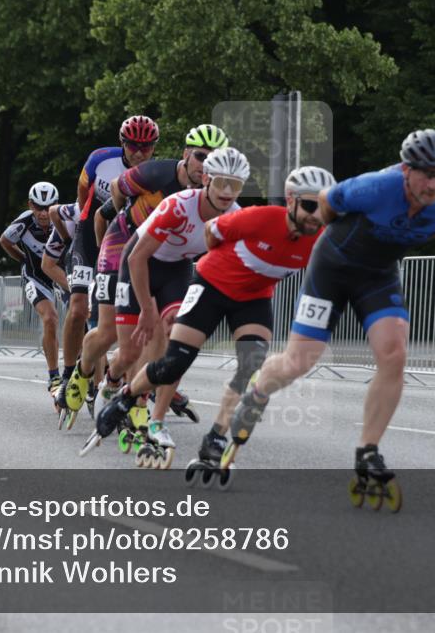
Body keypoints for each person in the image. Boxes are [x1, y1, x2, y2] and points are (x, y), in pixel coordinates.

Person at [226, 129, 435, 512]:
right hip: (332, 267)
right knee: (299, 361)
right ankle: (257, 393)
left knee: (394, 354)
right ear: (406, 169)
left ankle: (368, 451)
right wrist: (340, 234)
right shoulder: (374, 188)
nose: (433, 183)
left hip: (377, 276)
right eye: (425, 173)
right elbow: (326, 202)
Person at [99, 166, 334, 477]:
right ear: (290, 201)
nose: (315, 215)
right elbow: (212, 233)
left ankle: (216, 437)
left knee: (250, 363)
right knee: (174, 363)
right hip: (212, 285)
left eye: (324, 207)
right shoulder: (258, 217)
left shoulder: (322, 241)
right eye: (308, 206)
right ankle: (127, 396)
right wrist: (225, 263)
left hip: (254, 297)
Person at [80, 146, 249, 464]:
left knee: (174, 336)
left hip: (177, 269)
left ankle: (148, 412)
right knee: (129, 350)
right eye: (221, 182)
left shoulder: (234, 217)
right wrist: (146, 308)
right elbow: (136, 256)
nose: (227, 192)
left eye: (236, 185)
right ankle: (112, 380)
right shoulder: (179, 205)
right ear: (207, 180)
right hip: (139, 262)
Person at [62, 124, 230, 425]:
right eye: (200, 157)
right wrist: (120, 213)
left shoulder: (216, 194)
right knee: (109, 333)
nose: (206, 166)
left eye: (214, 160)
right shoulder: (155, 173)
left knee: (162, 329)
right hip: (122, 246)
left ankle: (136, 398)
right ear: (186, 154)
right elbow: (114, 190)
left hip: (168, 258)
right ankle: (83, 370)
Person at [44, 116, 159, 425]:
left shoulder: (152, 174)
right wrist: (84, 229)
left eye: (146, 147)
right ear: (123, 143)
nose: (139, 152)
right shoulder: (100, 159)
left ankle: (107, 378)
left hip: (121, 240)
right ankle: (68, 375)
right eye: (133, 146)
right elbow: (84, 195)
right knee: (79, 307)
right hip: (89, 232)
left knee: (114, 320)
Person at [0, 181, 62, 392]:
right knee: (50, 318)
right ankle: (54, 376)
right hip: (36, 278)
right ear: (30, 205)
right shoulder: (23, 223)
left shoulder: (63, 219)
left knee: (80, 318)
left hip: (61, 277)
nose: (43, 213)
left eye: (48, 207)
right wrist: (23, 259)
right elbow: (5, 241)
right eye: (38, 207)